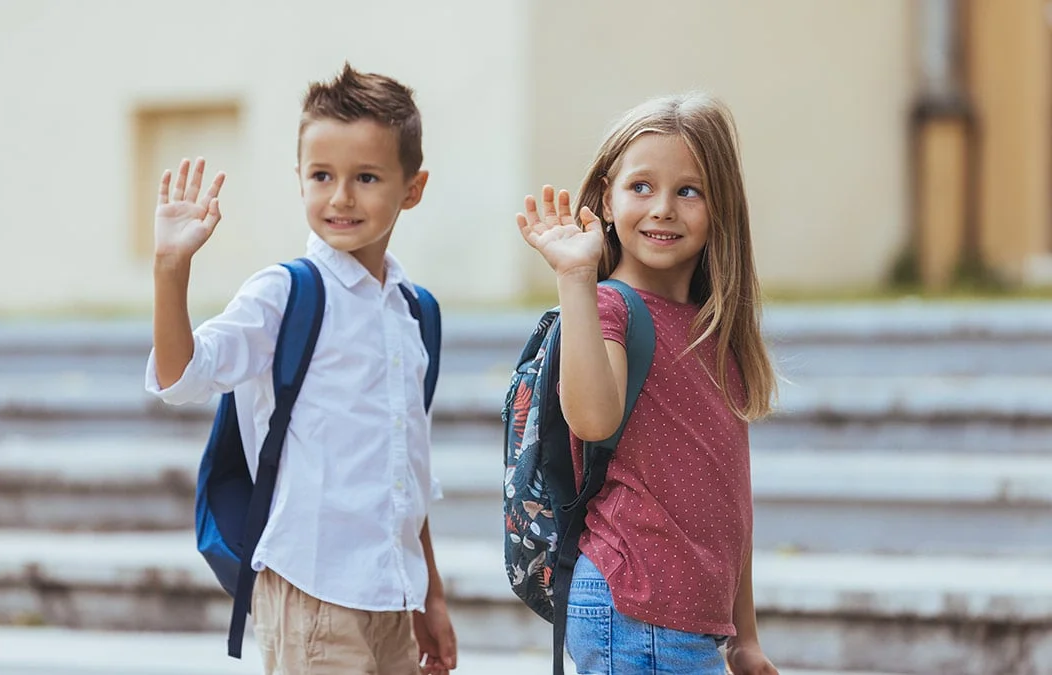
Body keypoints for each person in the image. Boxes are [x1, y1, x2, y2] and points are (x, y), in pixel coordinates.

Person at [145, 63, 457, 675]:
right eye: (322, 176)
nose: (340, 197)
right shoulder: (284, 293)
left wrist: (431, 597)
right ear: (300, 179)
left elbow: (407, 474)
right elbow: (183, 377)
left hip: (393, 597)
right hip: (310, 590)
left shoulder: (414, 311)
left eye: (366, 177)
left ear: (412, 189)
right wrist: (170, 268)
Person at [516, 93, 779, 675]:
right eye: (641, 187)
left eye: (689, 190)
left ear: (722, 209)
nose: (662, 208)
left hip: (686, 625)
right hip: (635, 609)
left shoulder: (715, 330)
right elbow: (592, 418)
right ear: (606, 200)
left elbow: (731, 503)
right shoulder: (609, 307)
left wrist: (744, 636)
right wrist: (577, 278)